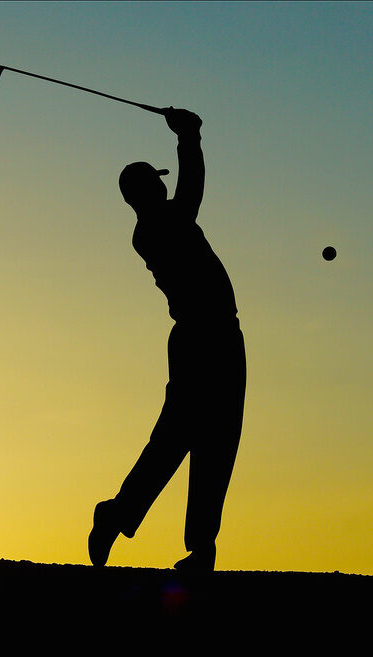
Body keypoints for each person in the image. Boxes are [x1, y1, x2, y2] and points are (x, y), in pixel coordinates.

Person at [88, 108, 246, 574]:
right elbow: (192, 190)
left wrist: (190, 137)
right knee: (179, 437)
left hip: (219, 336)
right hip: (202, 340)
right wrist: (189, 137)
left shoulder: (160, 222)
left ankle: (199, 549)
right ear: (146, 192)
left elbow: (186, 194)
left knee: (217, 440)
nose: (163, 186)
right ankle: (118, 514)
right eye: (155, 183)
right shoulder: (158, 227)